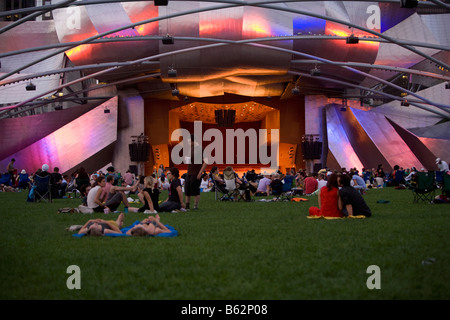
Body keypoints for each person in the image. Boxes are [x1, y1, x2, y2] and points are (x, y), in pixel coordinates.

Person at [184, 134, 208, 210]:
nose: (188, 143)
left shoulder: (201, 149)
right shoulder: (190, 149)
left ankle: (195, 206)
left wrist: (200, 172)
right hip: (189, 172)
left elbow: (206, 162)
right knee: (187, 189)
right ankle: (187, 205)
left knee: (195, 190)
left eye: (189, 141)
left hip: (196, 172)